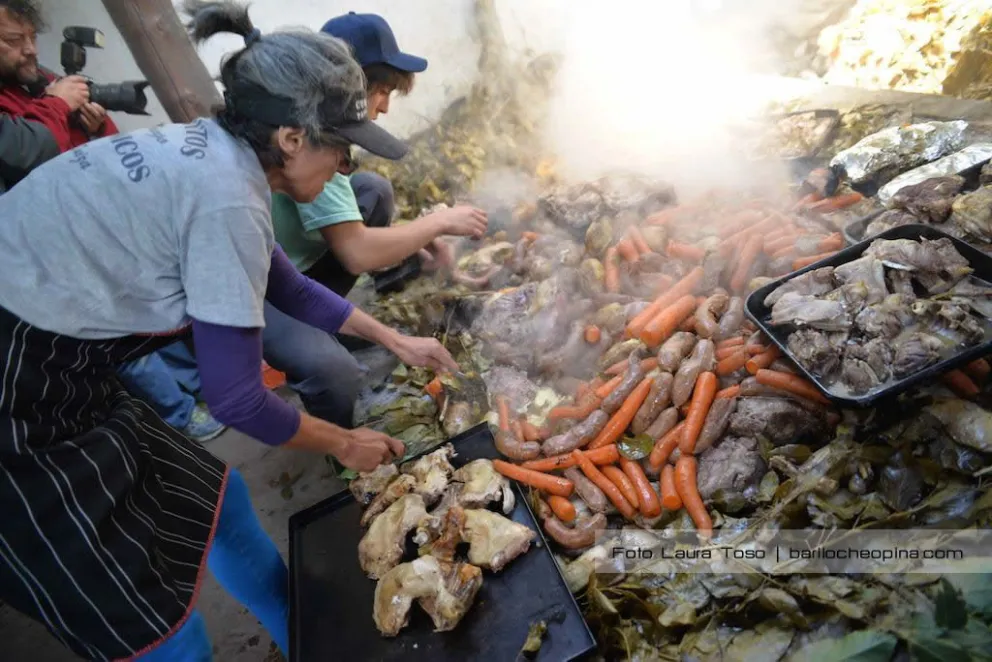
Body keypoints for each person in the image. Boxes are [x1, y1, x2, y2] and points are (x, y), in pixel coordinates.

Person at [0, 1, 460, 659]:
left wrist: (396, 340)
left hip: (69, 368)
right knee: (155, 622)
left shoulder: (219, 156)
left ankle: (305, 642)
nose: (345, 163)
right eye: (341, 146)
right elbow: (237, 398)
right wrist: (345, 442)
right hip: (15, 399)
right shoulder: (225, 198)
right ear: (294, 139)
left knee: (223, 501)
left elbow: (288, 285)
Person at [0, 0, 226, 441]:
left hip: (92, 224)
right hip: (45, 250)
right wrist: (57, 108)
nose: (30, 49)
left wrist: (91, 122)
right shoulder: (33, 97)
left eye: (31, 37)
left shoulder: (38, 81)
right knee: (108, 324)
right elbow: (30, 152)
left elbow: (91, 148)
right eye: (13, 40)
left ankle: (205, 387)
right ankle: (180, 414)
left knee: (153, 307)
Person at [263, 11, 488, 429]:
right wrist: (437, 224)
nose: (383, 107)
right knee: (333, 371)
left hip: (287, 265)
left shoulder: (308, 126)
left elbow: (339, 240)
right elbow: (354, 252)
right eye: (380, 91)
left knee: (373, 190)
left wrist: (415, 239)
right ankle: (342, 428)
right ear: (348, 86)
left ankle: (333, 322)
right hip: (259, 293)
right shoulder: (311, 141)